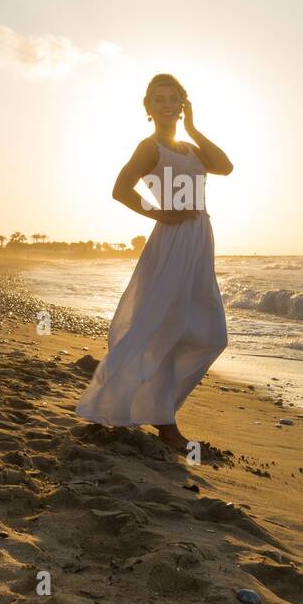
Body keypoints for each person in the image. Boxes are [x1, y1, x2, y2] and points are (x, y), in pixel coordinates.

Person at [76, 73, 233, 452]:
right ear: (147, 107)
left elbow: (225, 166)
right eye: (159, 99)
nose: (167, 105)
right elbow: (120, 189)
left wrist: (194, 127)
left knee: (210, 332)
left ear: (183, 104)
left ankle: (156, 413)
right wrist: (159, 215)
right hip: (172, 240)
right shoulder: (150, 148)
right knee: (161, 327)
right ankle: (160, 421)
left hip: (199, 240)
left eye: (173, 98)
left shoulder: (191, 150)